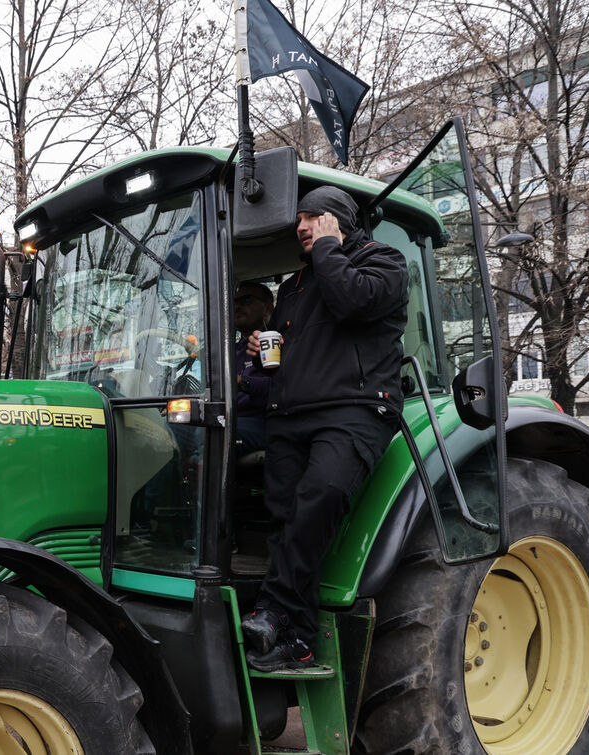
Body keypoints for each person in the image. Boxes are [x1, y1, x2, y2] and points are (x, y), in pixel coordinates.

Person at [240, 186, 408, 672]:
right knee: (283, 517)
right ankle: (300, 640)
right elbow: (302, 355)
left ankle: (271, 609)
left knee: (320, 497)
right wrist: (266, 358)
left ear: (337, 220)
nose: (301, 226)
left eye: (313, 217)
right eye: (300, 219)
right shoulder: (294, 286)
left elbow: (353, 302)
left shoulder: (383, 261)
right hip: (292, 414)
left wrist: (331, 249)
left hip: (354, 410)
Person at [234, 281, 274, 453]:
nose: (237, 307)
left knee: (211, 433)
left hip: (264, 421)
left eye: (247, 301)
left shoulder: (275, 342)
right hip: (232, 418)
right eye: (234, 302)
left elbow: (279, 385)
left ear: (268, 309)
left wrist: (242, 382)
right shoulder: (230, 351)